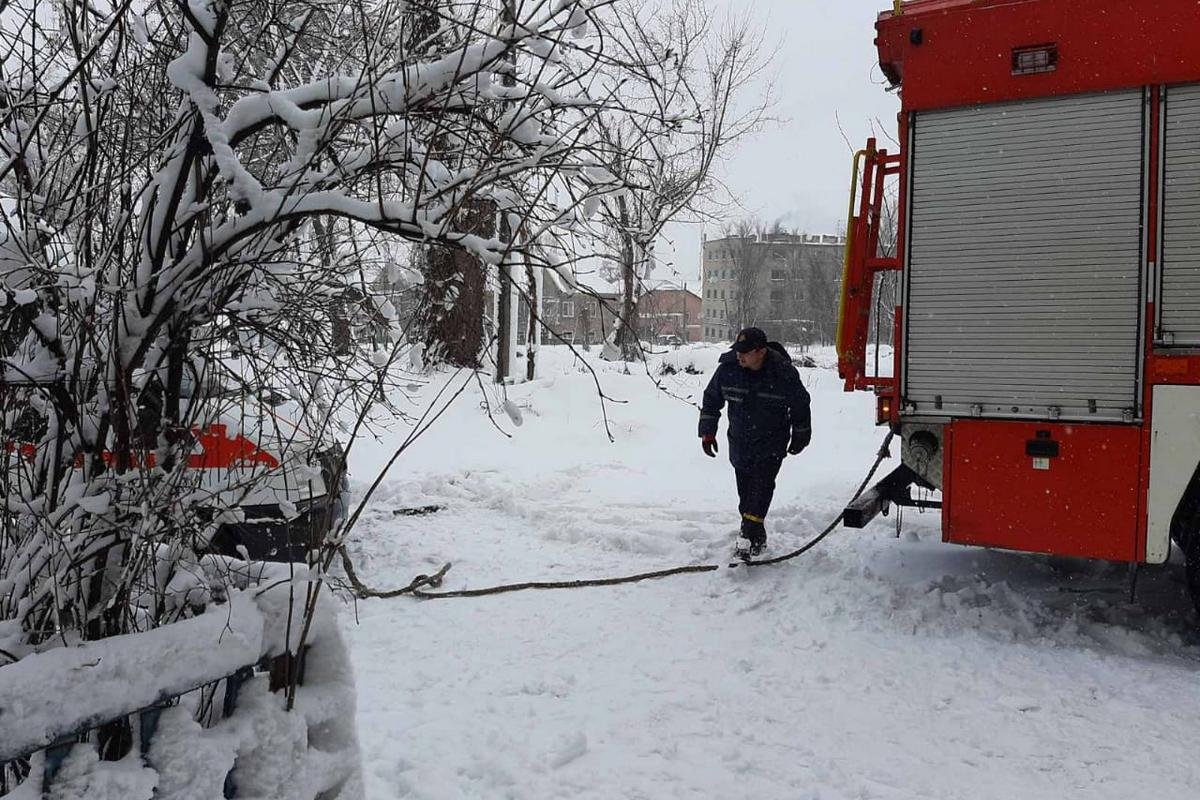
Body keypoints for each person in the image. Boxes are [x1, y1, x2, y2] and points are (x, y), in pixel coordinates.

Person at [698, 327, 811, 557]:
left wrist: (801, 434)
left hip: (771, 443)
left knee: (762, 487)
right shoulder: (728, 370)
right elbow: (711, 400)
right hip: (740, 442)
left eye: (746, 352)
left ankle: (747, 536)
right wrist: (708, 433)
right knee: (746, 493)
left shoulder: (782, 373)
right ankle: (756, 536)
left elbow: (800, 405)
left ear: (761, 352)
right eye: (738, 350)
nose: (740, 355)